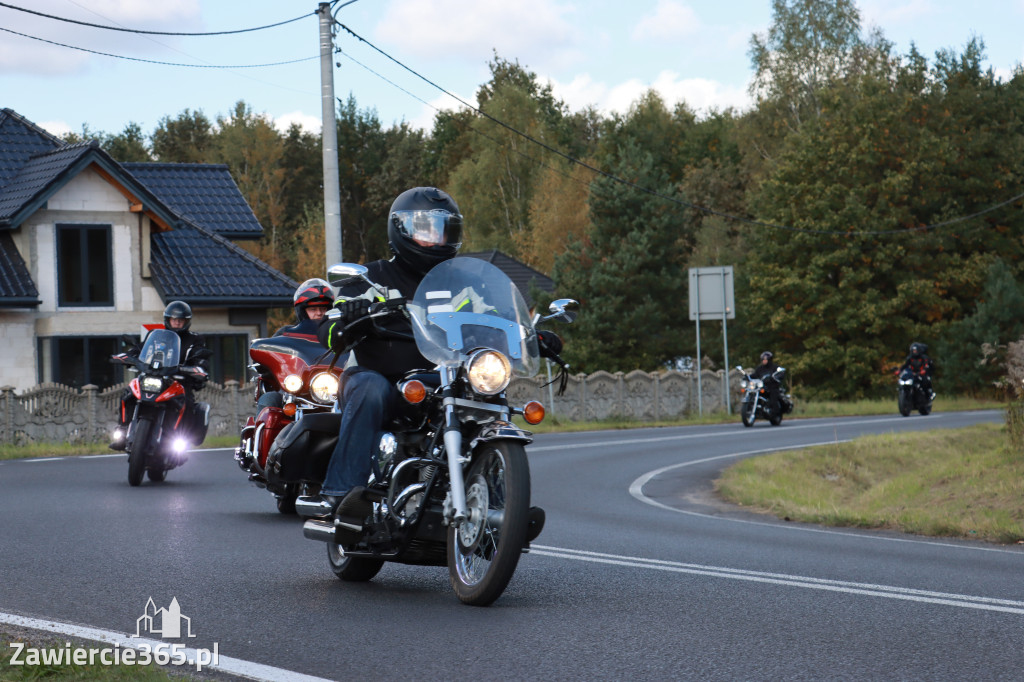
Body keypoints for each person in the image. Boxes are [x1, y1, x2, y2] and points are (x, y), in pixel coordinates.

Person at [305, 187, 560, 517]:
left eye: (443, 229)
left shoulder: (466, 282)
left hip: (447, 378)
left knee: (488, 395)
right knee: (369, 389)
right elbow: (329, 328)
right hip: (385, 377)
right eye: (425, 228)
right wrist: (349, 316)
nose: (435, 238)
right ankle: (341, 493)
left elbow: (495, 318)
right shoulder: (373, 279)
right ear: (401, 230)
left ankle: (500, 507)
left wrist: (530, 335)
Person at [110, 301, 209, 449]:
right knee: (129, 393)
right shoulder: (155, 335)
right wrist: (128, 356)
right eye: (174, 319)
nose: (177, 322)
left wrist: (198, 367)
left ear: (186, 321)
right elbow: (140, 349)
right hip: (154, 375)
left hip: (180, 380)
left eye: (180, 320)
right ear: (167, 319)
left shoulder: (195, 339)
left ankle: (180, 439)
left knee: (187, 402)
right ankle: (122, 430)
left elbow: (200, 357)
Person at [750, 350, 782, 415]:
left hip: (772, 386)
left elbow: (781, 373)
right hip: (762, 386)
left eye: (765, 360)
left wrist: (775, 377)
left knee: (773, 397)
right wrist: (747, 377)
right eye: (763, 360)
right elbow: (755, 375)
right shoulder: (760, 368)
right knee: (752, 393)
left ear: (769, 360)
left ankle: (775, 412)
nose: (764, 361)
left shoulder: (774, 367)